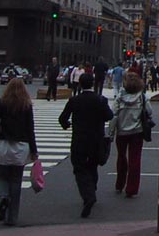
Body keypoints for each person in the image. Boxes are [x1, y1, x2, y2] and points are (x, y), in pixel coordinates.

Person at [58, 73, 114, 219]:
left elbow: (63, 118)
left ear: (81, 84)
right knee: (92, 166)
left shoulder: (74, 100)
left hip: (79, 139)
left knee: (80, 169)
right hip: (96, 139)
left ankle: (88, 195)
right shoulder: (100, 100)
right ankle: (92, 189)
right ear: (93, 83)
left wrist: (67, 125)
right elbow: (109, 116)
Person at [0, 78, 38, 226]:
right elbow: (30, 130)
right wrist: (34, 151)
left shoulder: (0, 103)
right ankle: (12, 217)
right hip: (21, 146)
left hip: (2, 144)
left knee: (1, 176)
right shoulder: (26, 106)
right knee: (16, 180)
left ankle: (2, 198)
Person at [109, 72, 153, 198]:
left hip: (121, 132)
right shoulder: (142, 97)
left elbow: (114, 116)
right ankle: (131, 188)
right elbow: (150, 112)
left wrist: (111, 133)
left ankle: (119, 183)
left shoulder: (119, 97)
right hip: (137, 132)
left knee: (121, 157)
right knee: (135, 159)